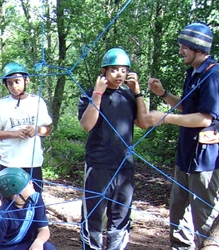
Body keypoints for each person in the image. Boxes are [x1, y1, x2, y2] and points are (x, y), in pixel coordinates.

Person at [146, 22, 219, 249]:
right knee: (177, 216)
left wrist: (164, 118)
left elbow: (205, 118)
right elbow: (187, 108)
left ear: (197, 47)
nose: (180, 51)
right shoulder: (193, 73)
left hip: (205, 163)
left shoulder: (213, 75)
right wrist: (164, 94)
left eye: (184, 47)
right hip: (185, 158)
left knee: (204, 223)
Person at [78, 47, 148, 249]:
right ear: (104, 72)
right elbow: (87, 125)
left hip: (125, 167)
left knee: (121, 217)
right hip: (98, 165)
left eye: (124, 70)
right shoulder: (89, 95)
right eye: (114, 70)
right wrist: (98, 93)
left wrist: (138, 93)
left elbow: (143, 123)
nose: (120, 74)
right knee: (94, 216)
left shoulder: (129, 96)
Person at [0, 62, 52, 193]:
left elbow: (48, 129)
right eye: (10, 83)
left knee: (34, 200)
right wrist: (14, 134)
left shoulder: (37, 101)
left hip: (32, 162)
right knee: (9, 204)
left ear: (26, 80)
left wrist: (37, 129)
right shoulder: (1, 104)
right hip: (9, 162)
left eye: (17, 81)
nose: (14, 86)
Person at [0, 167, 55, 250]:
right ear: (16, 193)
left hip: (25, 245)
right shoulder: (2, 216)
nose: (31, 182)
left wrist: (38, 242)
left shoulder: (36, 199)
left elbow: (44, 229)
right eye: (27, 183)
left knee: (48, 247)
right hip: (5, 248)